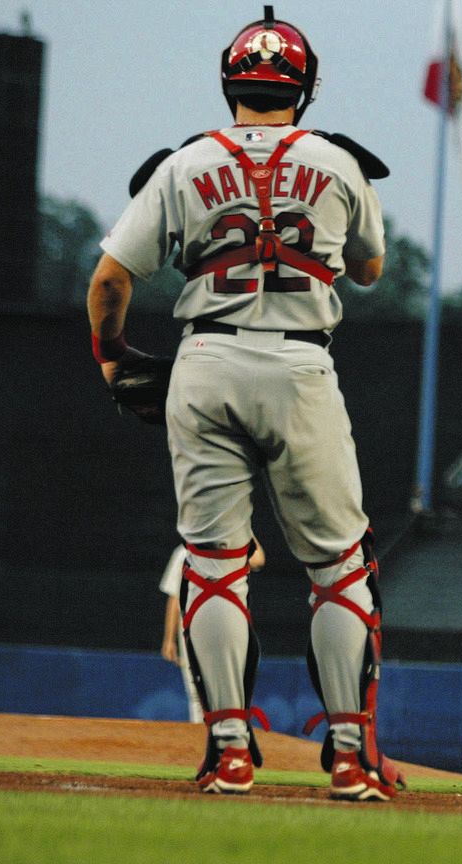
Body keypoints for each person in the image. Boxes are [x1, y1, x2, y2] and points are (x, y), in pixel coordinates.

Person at [86, 8, 400, 801]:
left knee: (215, 564)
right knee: (337, 567)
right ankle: (351, 756)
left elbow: (111, 282)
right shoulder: (338, 163)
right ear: (306, 87)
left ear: (231, 81)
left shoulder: (183, 165)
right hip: (299, 365)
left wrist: (112, 357)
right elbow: (368, 270)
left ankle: (228, 749)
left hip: (206, 359)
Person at [159, 537, 266, 723]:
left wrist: (244, 527)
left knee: (229, 685)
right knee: (196, 689)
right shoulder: (184, 553)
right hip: (191, 627)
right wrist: (169, 639)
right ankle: (201, 737)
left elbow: (258, 560)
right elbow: (175, 597)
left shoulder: (232, 549)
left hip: (226, 624)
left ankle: (229, 735)